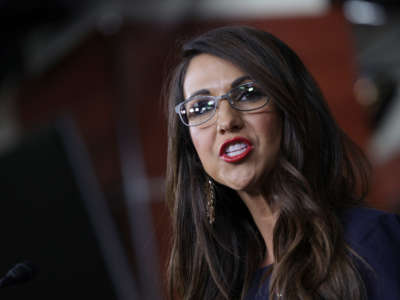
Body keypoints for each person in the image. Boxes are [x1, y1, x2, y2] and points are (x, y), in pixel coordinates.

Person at [163, 25, 400, 300]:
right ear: (190, 145)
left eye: (249, 93)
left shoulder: (368, 241)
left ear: (289, 109)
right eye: (201, 107)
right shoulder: (224, 286)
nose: (226, 121)